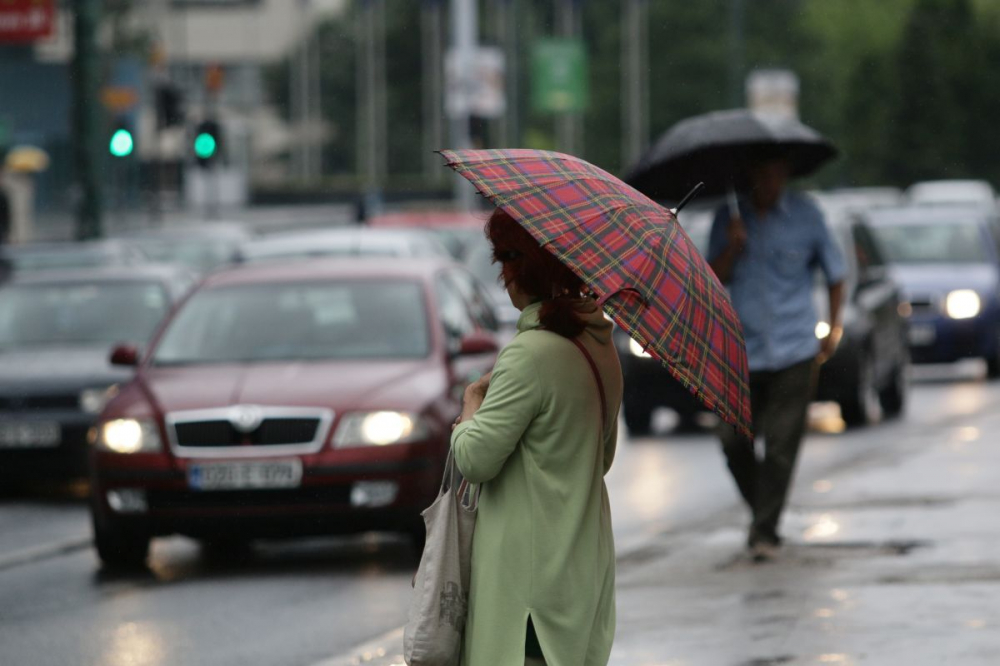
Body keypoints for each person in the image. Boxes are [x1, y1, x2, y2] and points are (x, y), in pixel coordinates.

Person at [451, 208, 623, 666]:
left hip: (527, 578)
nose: (503, 276)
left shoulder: (528, 356)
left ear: (523, 268)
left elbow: (475, 460)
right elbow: (601, 457)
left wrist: (471, 403)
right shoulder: (600, 348)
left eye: (505, 260)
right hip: (581, 561)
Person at [707, 154, 846, 561]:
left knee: (782, 446)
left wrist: (833, 329)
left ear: (784, 174)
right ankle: (762, 514)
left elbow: (836, 274)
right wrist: (731, 249)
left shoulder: (806, 215)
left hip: (794, 347)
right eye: (759, 174)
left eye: (774, 174)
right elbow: (708, 277)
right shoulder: (728, 218)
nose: (768, 182)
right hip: (742, 349)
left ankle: (763, 532)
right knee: (732, 440)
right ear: (748, 175)